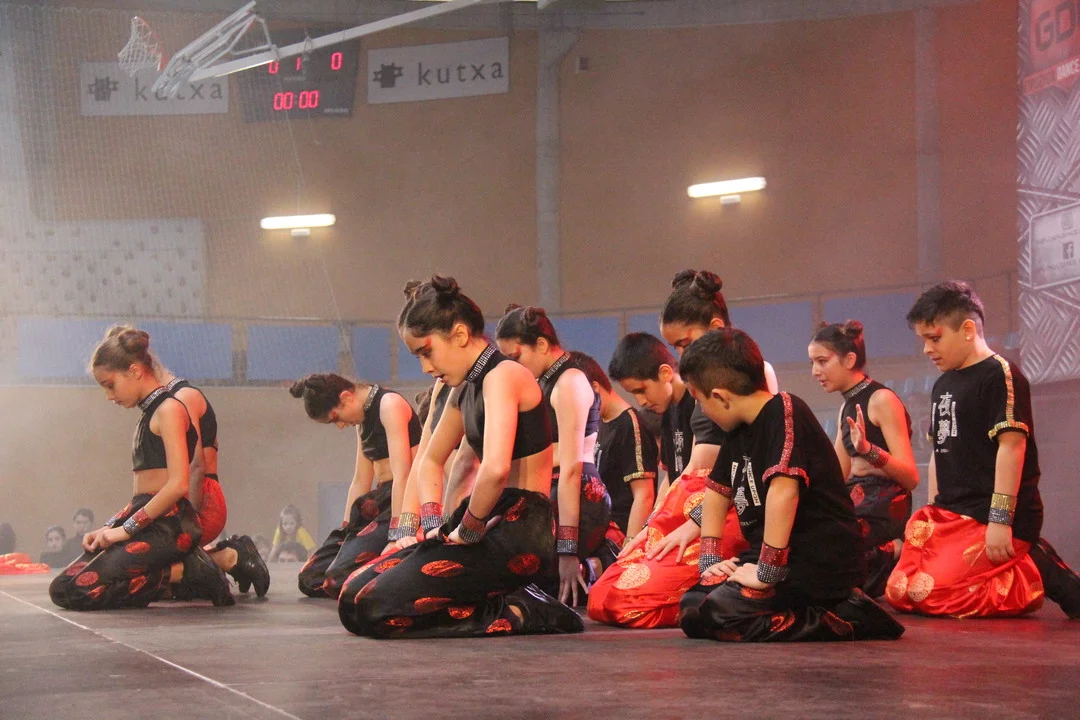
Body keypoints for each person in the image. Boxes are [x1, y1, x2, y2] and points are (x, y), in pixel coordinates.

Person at [337, 276, 582, 638]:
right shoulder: (465, 387)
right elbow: (430, 460)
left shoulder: (504, 375)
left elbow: (495, 469)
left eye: (427, 352)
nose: (425, 367)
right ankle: (506, 600)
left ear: (460, 335)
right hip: (480, 518)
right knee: (351, 598)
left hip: (518, 530)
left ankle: (524, 610)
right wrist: (434, 522)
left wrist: (467, 529)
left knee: (375, 608)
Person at [678, 328, 904, 642]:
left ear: (720, 397)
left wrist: (766, 573)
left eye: (699, 401)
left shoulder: (785, 411)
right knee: (692, 605)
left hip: (814, 564)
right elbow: (718, 490)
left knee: (719, 613)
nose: (702, 410)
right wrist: (711, 562)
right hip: (767, 560)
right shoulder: (738, 429)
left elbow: (784, 491)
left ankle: (848, 617)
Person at [887, 281, 1080, 618]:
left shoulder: (999, 375)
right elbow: (939, 451)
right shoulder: (943, 383)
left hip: (989, 513)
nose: (927, 350)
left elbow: (1012, 448)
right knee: (901, 591)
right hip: (951, 514)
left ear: (967, 330)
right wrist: (934, 512)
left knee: (933, 593)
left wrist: (1000, 521)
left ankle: (1031, 570)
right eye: (924, 341)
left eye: (934, 338)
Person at [49, 325, 233, 610]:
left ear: (134, 371)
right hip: (148, 519)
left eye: (110, 385)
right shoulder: (149, 414)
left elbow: (178, 484)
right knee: (62, 589)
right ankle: (185, 572)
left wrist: (125, 530)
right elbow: (141, 497)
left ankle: (188, 572)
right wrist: (109, 526)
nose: (109, 396)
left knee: (80, 591)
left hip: (170, 525)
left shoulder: (169, 410)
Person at [587, 332, 746, 628]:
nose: (641, 401)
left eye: (641, 390)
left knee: (625, 604)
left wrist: (682, 524)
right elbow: (673, 479)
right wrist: (650, 527)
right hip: (678, 514)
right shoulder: (670, 411)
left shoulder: (704, 405)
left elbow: (703, 475)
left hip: (713, 514)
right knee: (599, 597)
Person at [496, 305, 613, 604]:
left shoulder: (569, 382)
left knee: (527, 578)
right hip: (551, 492)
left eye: (516, 358)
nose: (514, 368)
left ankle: (599, 564)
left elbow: (572, 470)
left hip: (578, 496)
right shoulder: (544, 380)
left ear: (541, 344)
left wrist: (567, 550)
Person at [809, 320, 918, 597]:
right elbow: (836, 476)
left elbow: (910, 477)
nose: (815, 371)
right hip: (855, 500)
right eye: (813, 363)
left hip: (884, 504)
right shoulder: (845, 406)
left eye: (822, 361)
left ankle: (893, 550)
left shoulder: (882, 399)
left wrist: (870, 451)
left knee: (834, 554)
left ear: (849, 360)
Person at [290, 373, 422, 598]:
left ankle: (398, 570)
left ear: (346, 397)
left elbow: (404, 476)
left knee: (336, 579)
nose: (341, 425)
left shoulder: (389, 405)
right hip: (378, 502)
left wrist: (397, 535)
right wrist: (346, 529)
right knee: (310, 578)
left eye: (336, 418)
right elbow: (361, 479)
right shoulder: (362, 419)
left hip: (403, 501)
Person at [159, 372, 269, 598]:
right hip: (190, 497)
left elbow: (196, 465)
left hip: (202, 499)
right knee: (156, 583)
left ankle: (228, 557)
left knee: (143, 573)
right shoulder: (173, 399)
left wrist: (186, 518)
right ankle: (226, 558)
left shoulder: (183, 397)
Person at [570, 351, 657, 543]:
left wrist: (630, 545)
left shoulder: (629, 425)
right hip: (598, 526)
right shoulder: (598, 422)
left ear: (594, 388)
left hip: (618, 532)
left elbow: (644, 494)